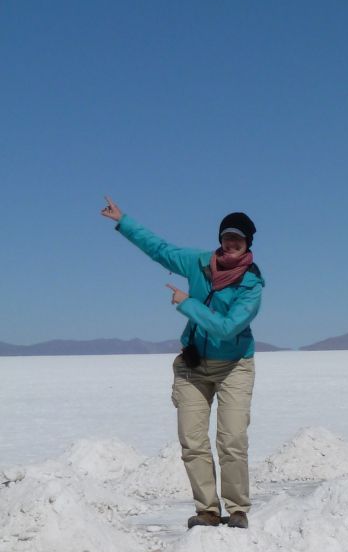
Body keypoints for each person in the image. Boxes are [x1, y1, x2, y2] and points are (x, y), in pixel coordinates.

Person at [101, 197, 263, 529]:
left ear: (247, 244)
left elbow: (227, 327)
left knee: (232, 439)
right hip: (193, 365)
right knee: (192, 440)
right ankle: (207, 509)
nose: (231, 243)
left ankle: (236, 510)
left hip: (234, 366)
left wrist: (187, 303)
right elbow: (160, 249)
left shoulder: (251, 285)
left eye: (239, 239)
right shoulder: (198, 263)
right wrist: (124, 221)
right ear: (220, 239)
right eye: (227, 236)